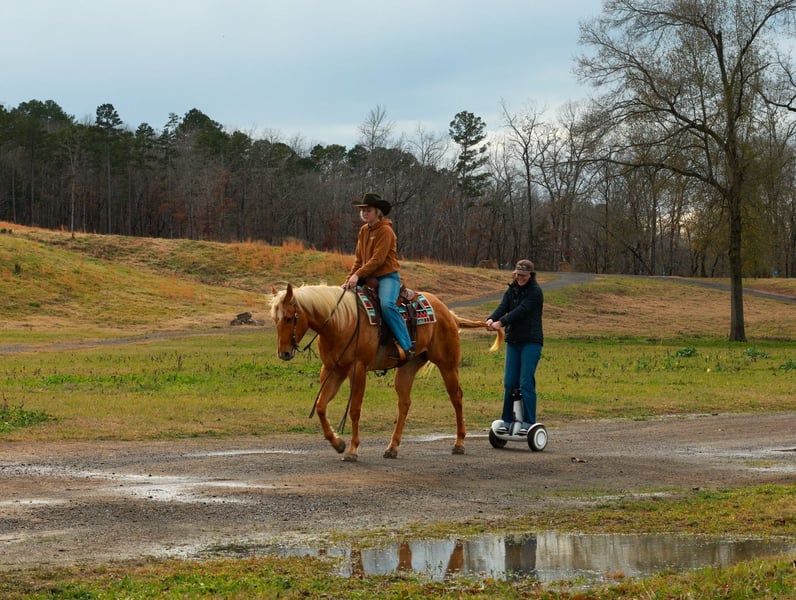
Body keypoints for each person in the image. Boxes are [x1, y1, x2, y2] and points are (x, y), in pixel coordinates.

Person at [343, 192, 415, 362]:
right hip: (367, 276)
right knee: (345, 300)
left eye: (368, 210)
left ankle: (407, 346)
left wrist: (358, 275)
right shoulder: (363, 230)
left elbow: (378, 259)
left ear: (378, 212)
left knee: (387, 305)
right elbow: (359, 259)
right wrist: (349, 279)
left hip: (387, 276)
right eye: (363, 210)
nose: (364, 213)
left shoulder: (386, 230)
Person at [486, 259, 543, 435]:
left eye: (523, 275)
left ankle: (528, 422)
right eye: (518, 274)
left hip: (531, 342)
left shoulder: (535, 292)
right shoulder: (512, 290)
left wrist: (501, 322)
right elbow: (503, 307)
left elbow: (521, 311)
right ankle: (507, 420)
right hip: (513, 341)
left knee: (525, 382)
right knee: (510, 382)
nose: (520, 277)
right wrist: (491, 318)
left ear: (530, 275)